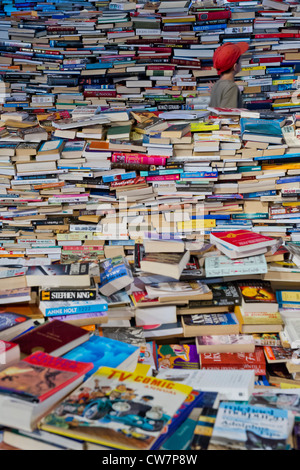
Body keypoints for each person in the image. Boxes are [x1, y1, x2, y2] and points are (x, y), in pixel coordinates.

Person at [209, 42, 249, 109]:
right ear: (235, 66)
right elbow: (228, 116)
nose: (241, 64)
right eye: (240, 61)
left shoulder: (217, 84)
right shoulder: (231, 87)